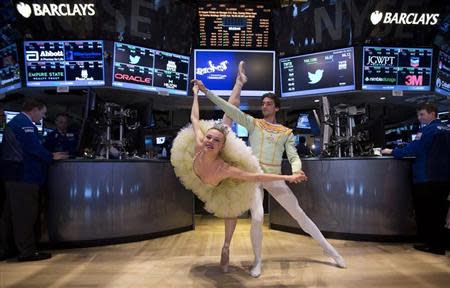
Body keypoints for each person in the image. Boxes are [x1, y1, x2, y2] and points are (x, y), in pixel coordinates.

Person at [194, 79, 346, 277]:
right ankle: (257, 261)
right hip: (254, 178)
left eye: (268, 103)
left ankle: (330, 250)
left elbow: (293, 156)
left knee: (299, 214)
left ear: (276, 107)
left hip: (274, 178)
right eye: (263, 103)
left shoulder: (286, 132)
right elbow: (228, 108)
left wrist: (296, 171)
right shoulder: (253, 123)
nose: (264, 106)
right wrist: (206, 91)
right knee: (257, 217)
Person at [171, 62, 307, 273]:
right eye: (209, 138)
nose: (209, 141)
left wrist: (288, 177)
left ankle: (226, 247)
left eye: (215, 141)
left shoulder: (226, 167)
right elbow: (194, 118)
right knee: (222, 122)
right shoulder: (199, 143)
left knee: (230, 210)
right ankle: (239, 83)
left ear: (222, 147)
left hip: (219, 179)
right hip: (198, 176)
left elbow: (255, 176)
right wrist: (196, 93)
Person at [0, 98, 67, 262]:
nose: (42, 118)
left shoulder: (17, 122)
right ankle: (27, 252)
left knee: (9, 216)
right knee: (25, 216)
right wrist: (51, 156)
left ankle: (6, 250)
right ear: (34, 110)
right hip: (24, 177)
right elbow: (34, 148)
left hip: (13, 177)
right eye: (42, 113)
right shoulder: (25, 124)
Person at [382, 103, 447, 255]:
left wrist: (391, 151)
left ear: (433, 113)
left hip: (427, 177)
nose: (419, 118)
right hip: (444, 178)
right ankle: (441, 244)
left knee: (428, 213)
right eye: (418, 115)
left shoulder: (427, 131)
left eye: (422, 114)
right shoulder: (446, 128)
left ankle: (433, 245)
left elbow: (412, 150)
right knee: (440, 212)